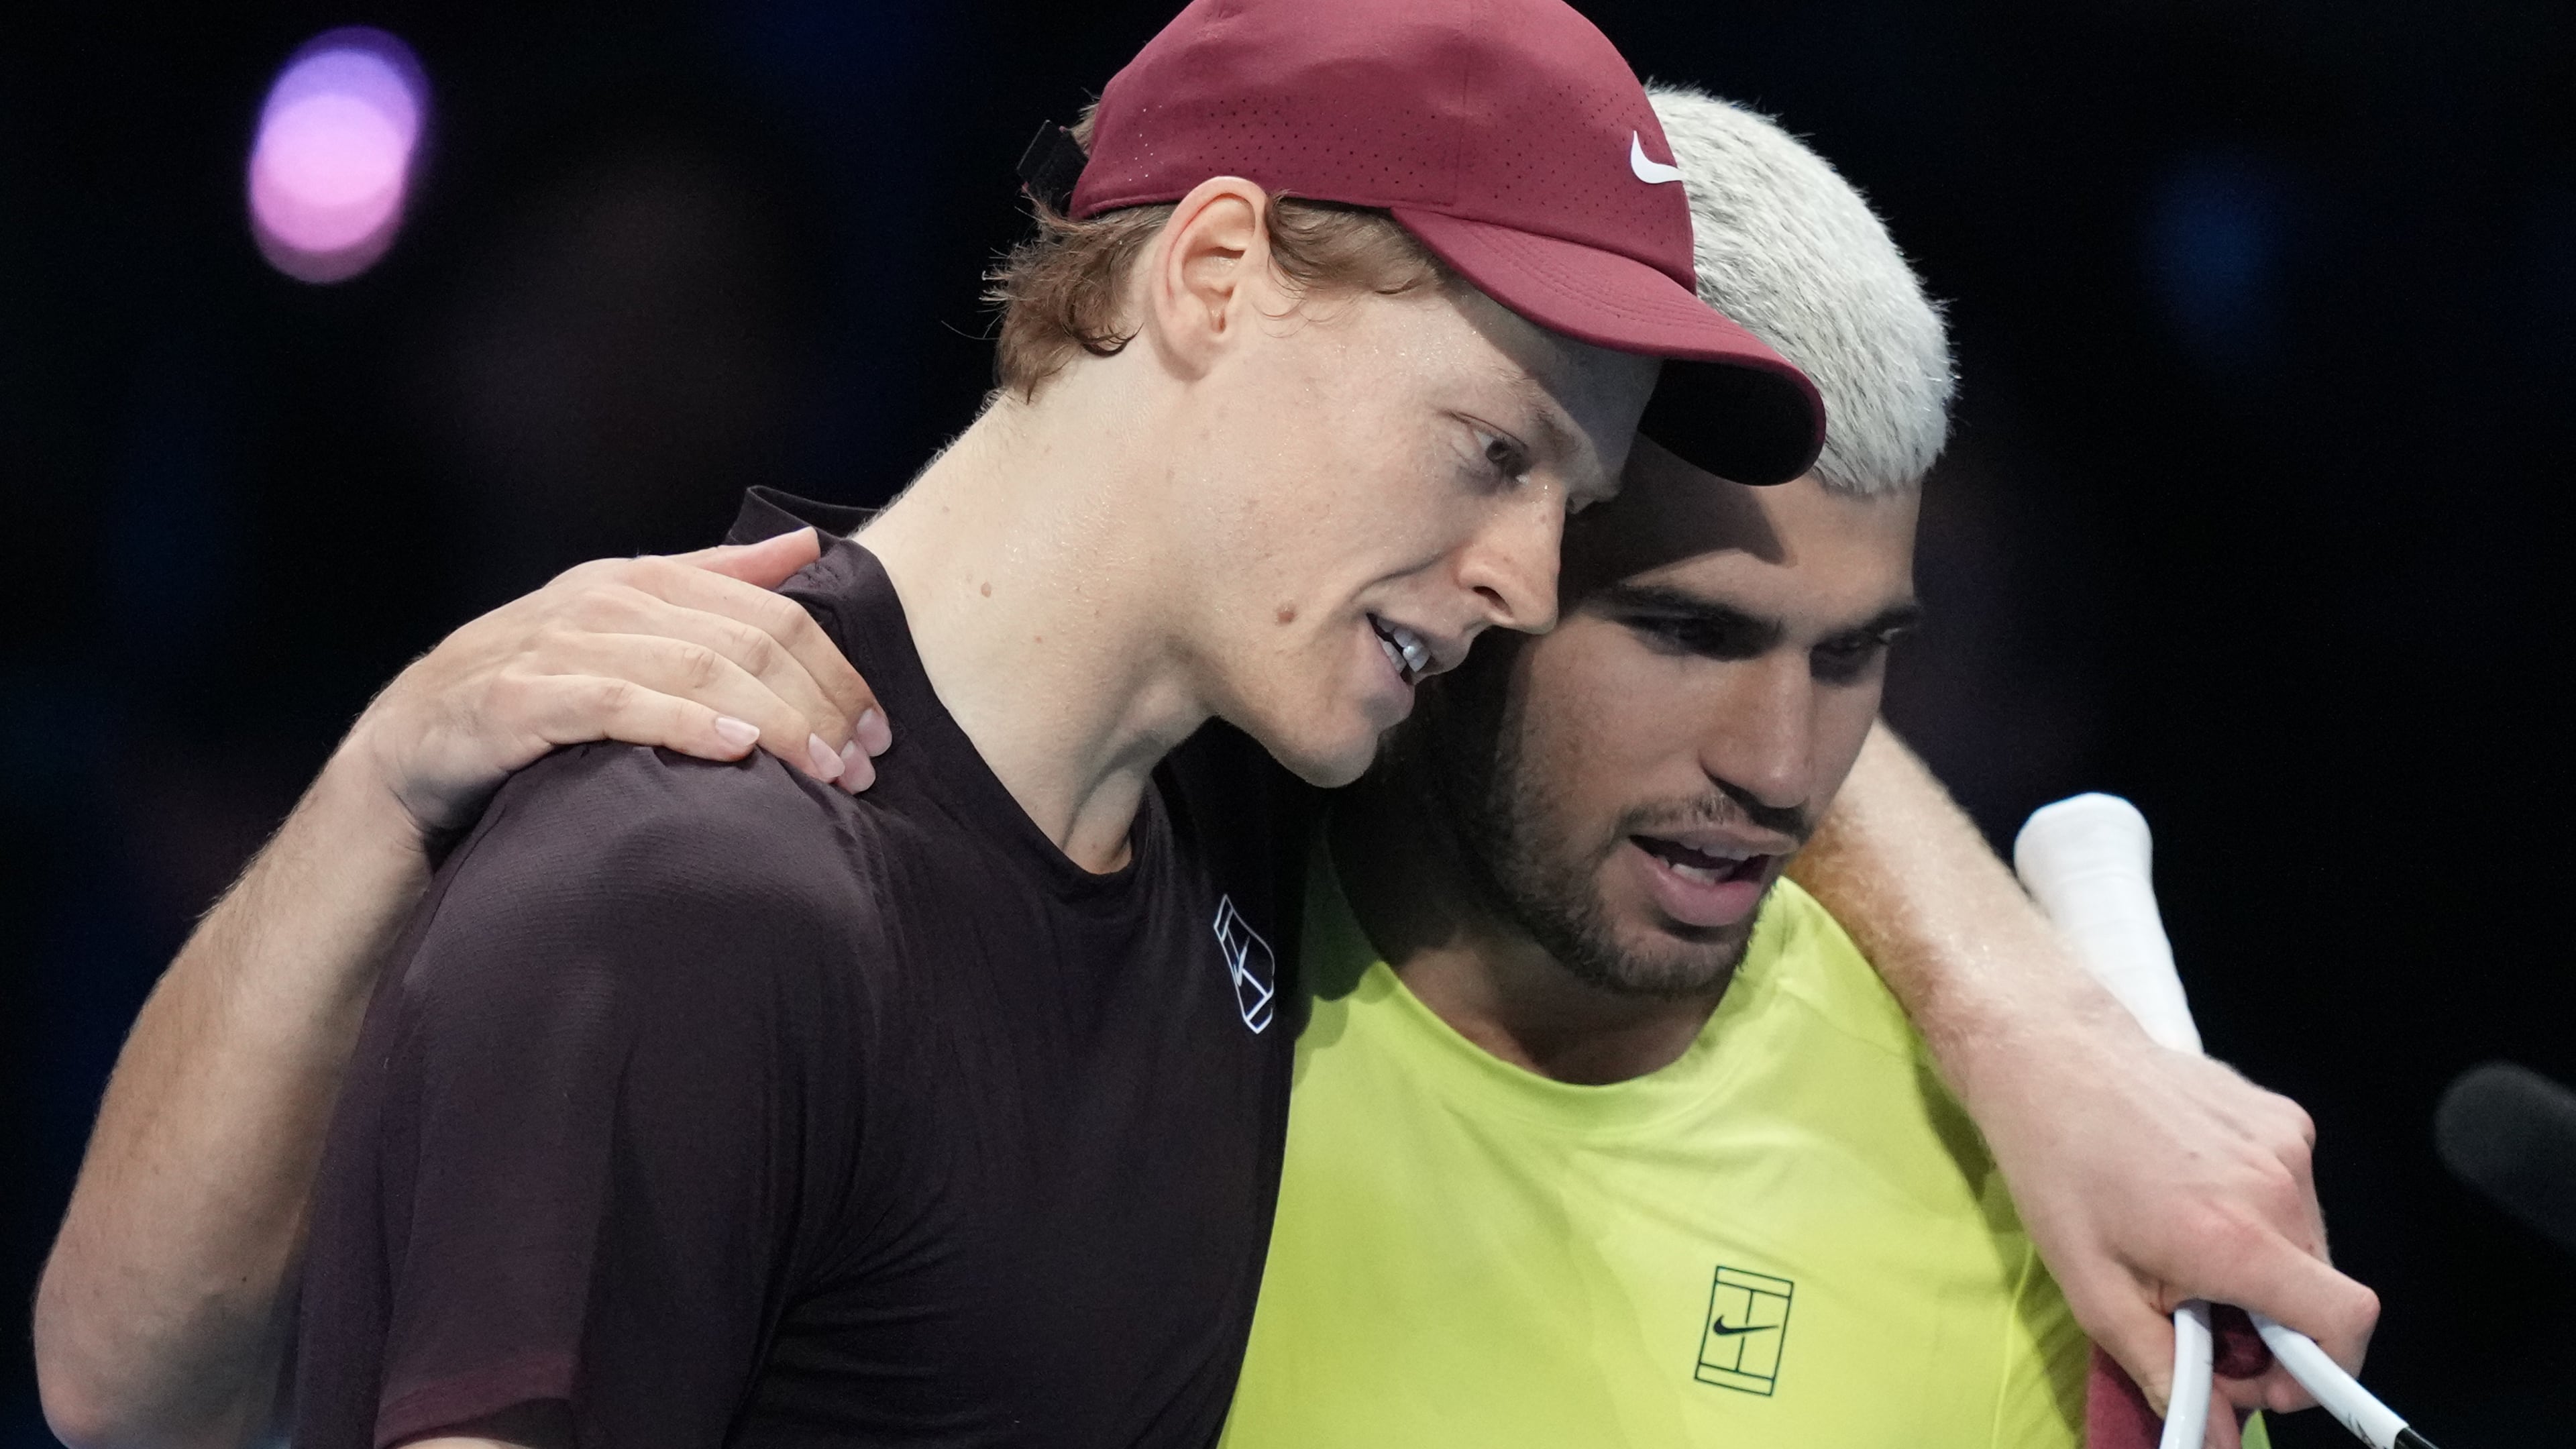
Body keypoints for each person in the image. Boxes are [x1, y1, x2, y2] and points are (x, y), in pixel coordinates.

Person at [34, 17, 2375, 1449]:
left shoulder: (1243, 793)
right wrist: (381, 785)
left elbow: (1745, 708)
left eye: (1570, 507)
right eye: (1486, 454)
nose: (1524, 586)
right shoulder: (712, 855)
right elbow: (125, 1396)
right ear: (1216, 274)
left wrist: (2039, 1034)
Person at [1214, 85, 2250, 1448]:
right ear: (1479, 553)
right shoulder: (1112, 917)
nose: (1779, 768)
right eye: (1690, 634)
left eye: (1852, 658)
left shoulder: (2059, 1226)